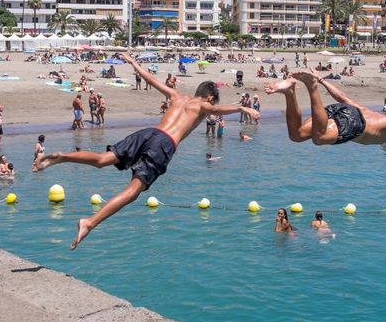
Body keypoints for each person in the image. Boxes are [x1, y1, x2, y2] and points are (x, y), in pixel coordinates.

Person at [31, 53, 259, 249]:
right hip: (164, 145)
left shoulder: (176, 96)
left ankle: (62, 156)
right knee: (133, 191)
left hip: (149, 133)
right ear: (209, 96)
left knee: (102, 159)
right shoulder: (203, 105)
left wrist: (133, 62)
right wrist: (242, 107)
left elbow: (150, 78)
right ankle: (89, 222)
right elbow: (217, 110)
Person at [265, 69, 386, 146]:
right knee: (320, 138)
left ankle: (290, 92)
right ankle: (311, 87)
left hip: (342, 110)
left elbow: (341, 97)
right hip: (355, 123)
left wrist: (322, 79)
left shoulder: (370, 111)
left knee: (296, 135)